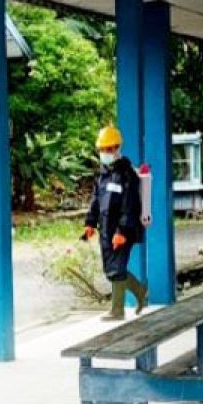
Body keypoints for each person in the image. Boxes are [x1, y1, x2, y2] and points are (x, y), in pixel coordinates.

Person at [83, 125, 147, 320]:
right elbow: (95, 200)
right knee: (110, 269)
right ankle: (140, 292)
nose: (105, 153)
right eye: (102, 149)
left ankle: (118, 309)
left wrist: (121, 231)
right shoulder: (102, 174)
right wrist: (90, 223)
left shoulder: (128, 174)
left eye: (109, 149)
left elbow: (130, 206)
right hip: (105, 229)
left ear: (118, 148)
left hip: (122, 230)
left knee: (116, 268)